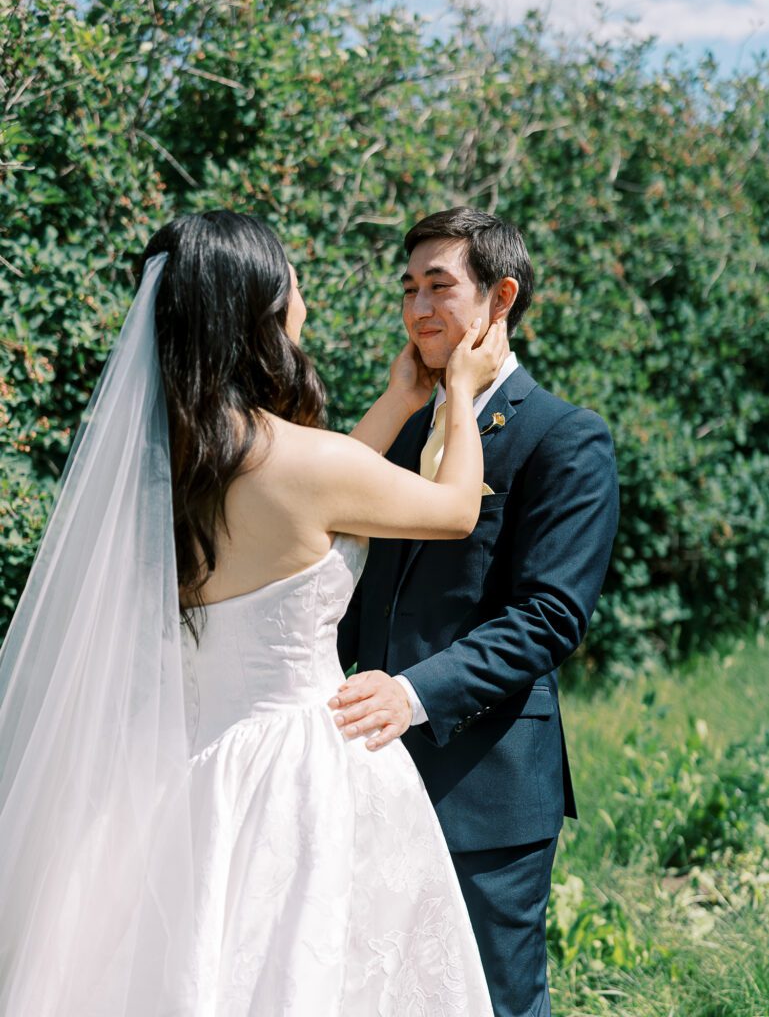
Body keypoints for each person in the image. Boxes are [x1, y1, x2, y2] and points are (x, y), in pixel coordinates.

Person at [0, 209, 504, 1015]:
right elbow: (450, 510)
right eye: (289, 279)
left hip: (198, 765)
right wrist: (457, 394)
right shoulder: (303, 459)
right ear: (259, 306)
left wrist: (393, 401)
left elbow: (321, 497)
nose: (298, 293)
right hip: (308, 763)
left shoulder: (169, 466)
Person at [335, 206, 620, 1017]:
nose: (419, 309)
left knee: (493, 1001)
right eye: (409, 289)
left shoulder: (564, 438)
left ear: (500, 298)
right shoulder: (401, 434)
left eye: (440, 287)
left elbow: (548, 616)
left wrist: (411, 694)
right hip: (373, 769)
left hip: (486, 785)